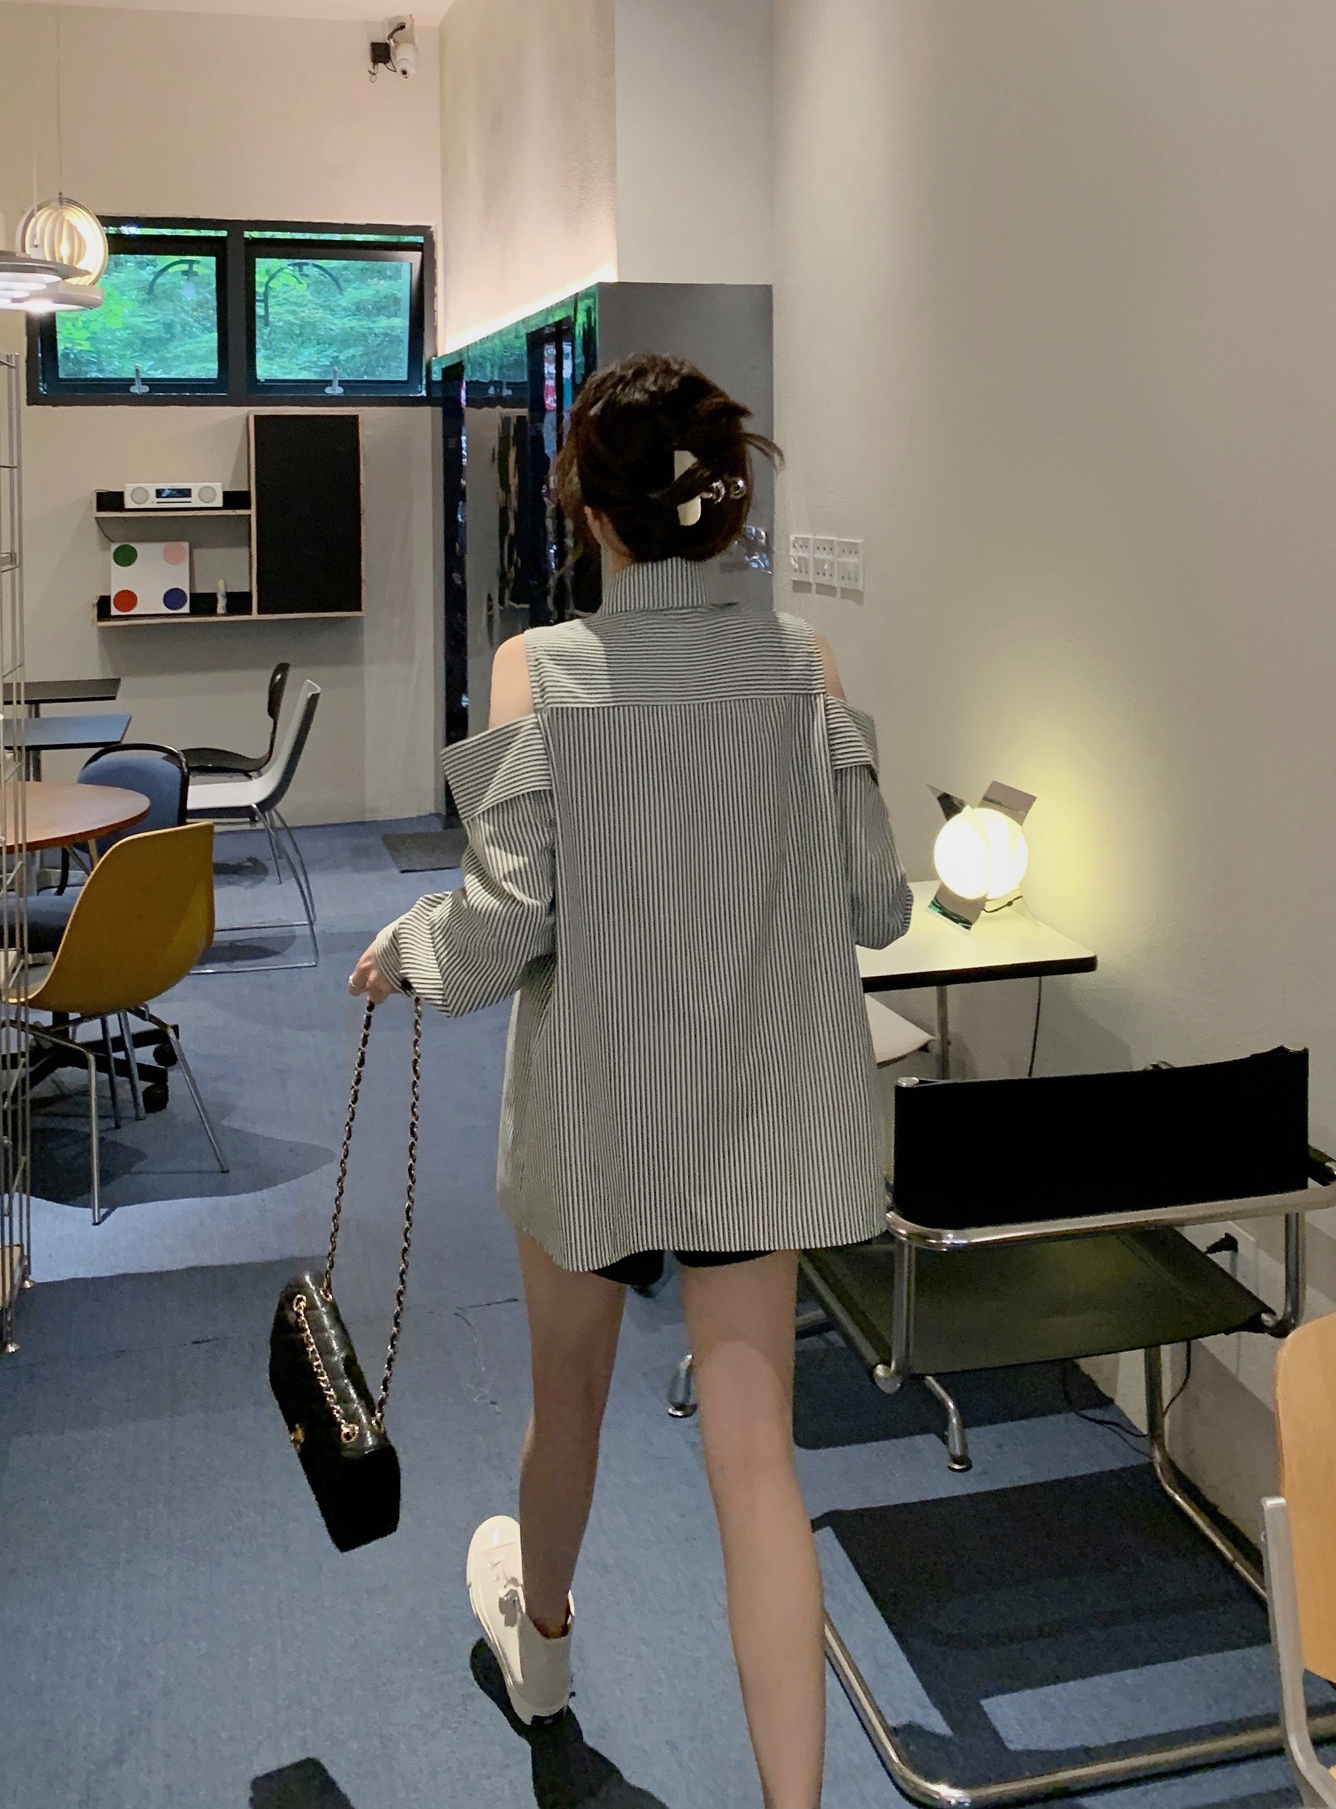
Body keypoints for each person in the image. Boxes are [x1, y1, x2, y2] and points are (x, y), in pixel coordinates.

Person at [349, 351, 913, 1809]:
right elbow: (876, 904)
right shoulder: (805, 665)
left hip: (593, 1115)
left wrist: (405, 950)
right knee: (757, 1458)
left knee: (571, 1400)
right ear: (729, 503)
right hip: (758, 1118)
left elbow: (501, 931)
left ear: (591, 514)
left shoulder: (540, 670)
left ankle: (541, 1655)